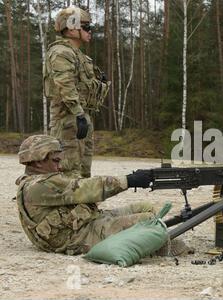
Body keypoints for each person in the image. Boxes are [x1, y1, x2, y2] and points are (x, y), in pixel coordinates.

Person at [15, 135, 190, 256]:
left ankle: (151, 239)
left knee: (146, 208)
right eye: (55, 161)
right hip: (76, 237)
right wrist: (129, 180)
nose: (59, 167)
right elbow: (86, 188)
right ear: (38, 160)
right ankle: (157, 248)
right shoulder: (38, 186)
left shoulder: (38, 181)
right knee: (148, 222)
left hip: (86, 223)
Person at [44, 6, 110, 178]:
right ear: (72, 28)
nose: (90, 31)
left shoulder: (79, 55)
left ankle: (84, 205)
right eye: (86, 27)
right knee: (68, 166)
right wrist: (78, 113)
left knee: (83, 169)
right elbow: (65, 85)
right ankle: (67, 205)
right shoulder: (60, 52)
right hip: (68, 118)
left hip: (80, 117)